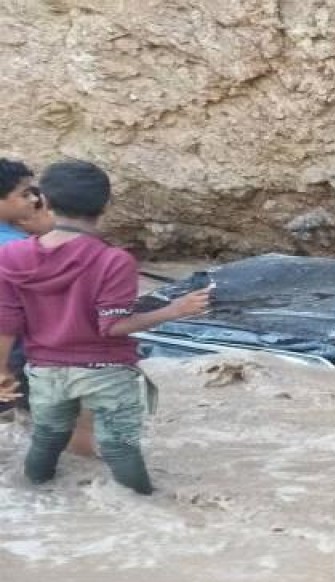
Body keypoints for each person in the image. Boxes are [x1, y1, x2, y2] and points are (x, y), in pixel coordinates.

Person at [0, 160, 211, 494]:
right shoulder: (113, 260)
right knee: (118, 447)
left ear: (48, 202)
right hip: (105, 371)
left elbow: (7, 321)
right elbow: (112, 326)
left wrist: (2, 370)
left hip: (44, 370)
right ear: (105, 206)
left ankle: (35, 498)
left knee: (47, 440)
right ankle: (149, 509)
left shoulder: (13, 256)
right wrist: (174, 310)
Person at [0, 158, 97, 457]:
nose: (34, 201)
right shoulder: (15, 247)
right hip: (23, 351)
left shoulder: (14, 240)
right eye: (25, 194)